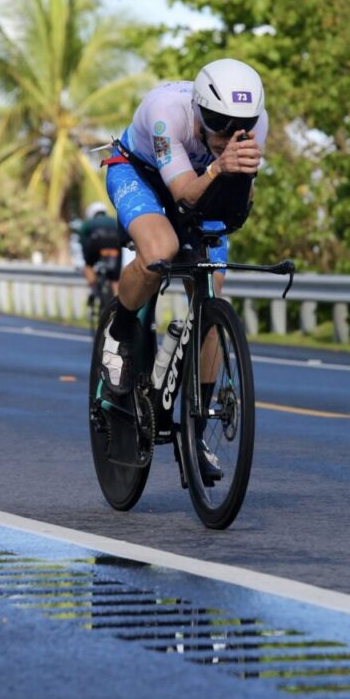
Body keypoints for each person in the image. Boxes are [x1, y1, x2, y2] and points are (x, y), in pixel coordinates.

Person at [100, 58, 267, 479]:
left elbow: (237, 207)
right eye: (218, 125)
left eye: (240, 127)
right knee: (161, 251)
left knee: (211, 289)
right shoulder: (166, 113)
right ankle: (119, 329)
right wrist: (219, 167)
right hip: (141, 175)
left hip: (203, 179)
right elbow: (184, 197)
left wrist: (235, 178)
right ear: (200, 110)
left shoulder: (257, 124)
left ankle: (195, 433)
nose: (229, 136)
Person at [78, 202, 122, 298]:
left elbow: (82, 240)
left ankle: (93, 289)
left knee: (88, 265)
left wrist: (86, 257)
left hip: (96, 246)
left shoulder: (88, 223)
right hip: (115, 248)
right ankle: (117, 298)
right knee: (115, 278)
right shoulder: (114, 221)